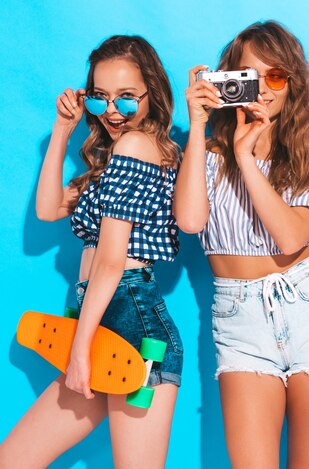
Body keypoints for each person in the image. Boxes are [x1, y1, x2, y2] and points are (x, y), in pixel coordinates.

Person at [174, 20, 309, 469]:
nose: (262, 89)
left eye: (275, 76)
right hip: (241, 323)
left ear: (292, 83)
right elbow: (190, 219)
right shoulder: (208, 157)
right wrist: (199, 129)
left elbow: (293, 236)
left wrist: (248, 160)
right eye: (249, 76)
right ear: (226, 83)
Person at [0, 35, 182, 468]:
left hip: (134, 326)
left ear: (152, 95)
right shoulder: (111, 160)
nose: (112, 112)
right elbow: (47, 209)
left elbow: (112, 260)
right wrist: (63, 129)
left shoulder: (135, 147)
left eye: (126, 98)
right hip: (101, 321)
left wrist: (79, 350)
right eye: (99, 100)